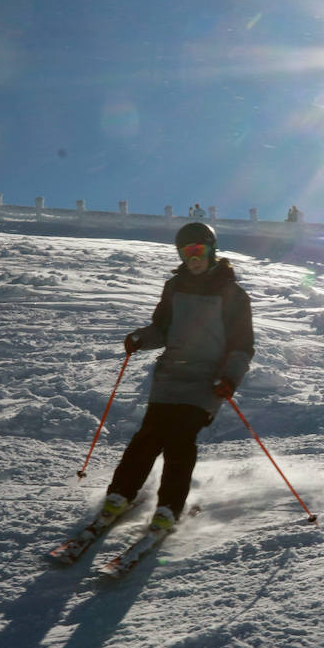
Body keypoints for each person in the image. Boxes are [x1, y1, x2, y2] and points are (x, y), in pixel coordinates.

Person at [103, 221, 254, 530]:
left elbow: (242, 345)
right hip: (171, 375)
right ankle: (120, 495)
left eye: (198, 251)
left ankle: (169, 508)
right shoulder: (174, 287)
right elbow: (162, 329)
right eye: (187, 253)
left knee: (180, 439)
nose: (193, 259)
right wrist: (141, 339)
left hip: (207, 380)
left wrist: (229, 379)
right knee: (148, 435)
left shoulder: (232, 293)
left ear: (212, 251)